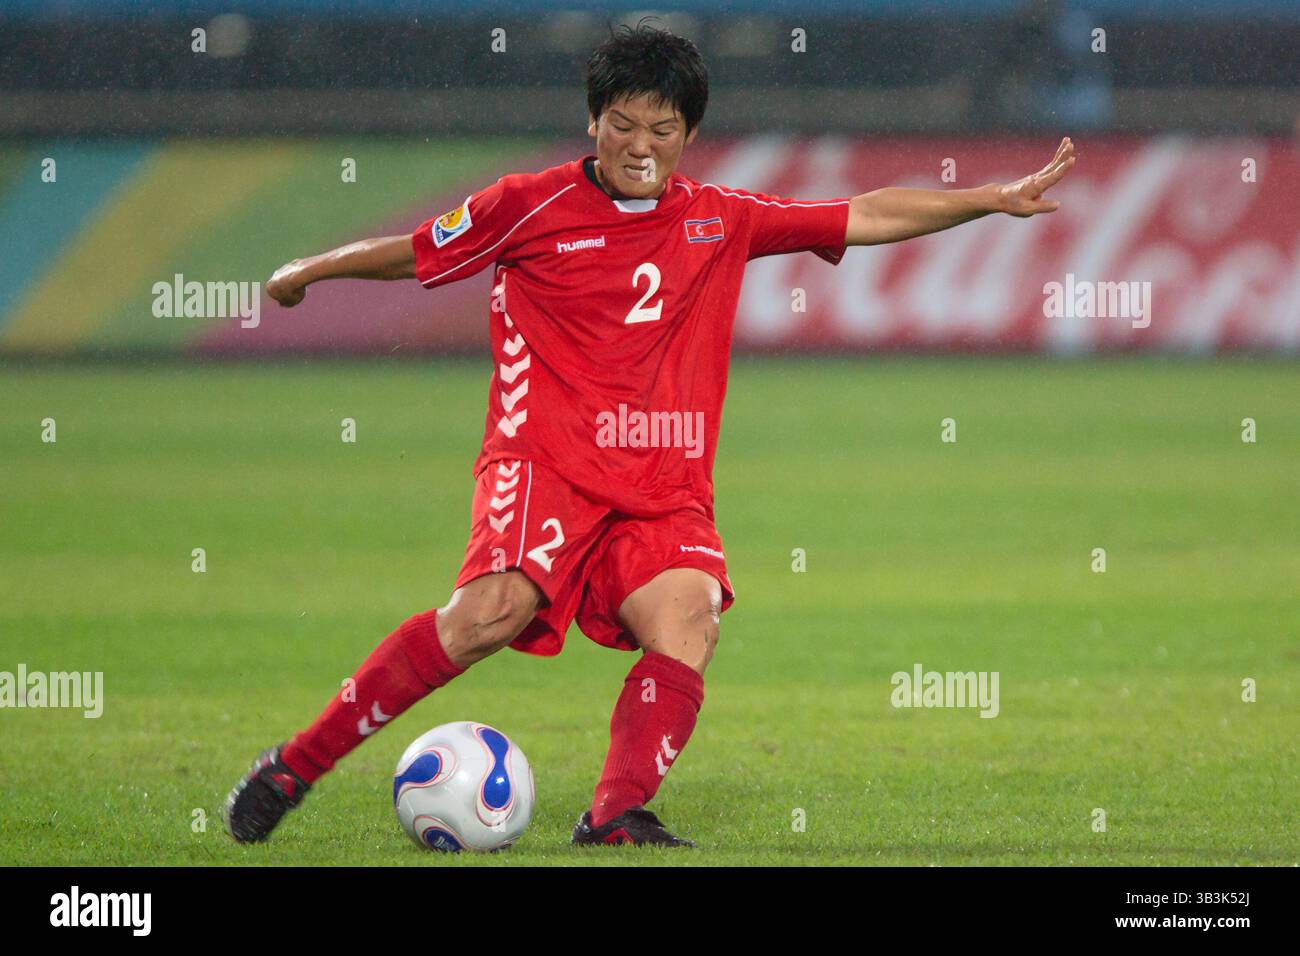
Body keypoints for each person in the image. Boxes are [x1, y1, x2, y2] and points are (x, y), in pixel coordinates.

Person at [224, 20, 1075, 848]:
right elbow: (416, 253)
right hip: (546, 462)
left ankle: (613, 816)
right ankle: (293, 768)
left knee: (690, 617)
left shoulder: (719, 216)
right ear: (592, 121)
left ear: (689, 134)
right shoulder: (525, 204)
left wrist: (988, 200)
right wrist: (310, 269)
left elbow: (864, 213)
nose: (640, 146)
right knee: (489, 614)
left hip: (663, 486)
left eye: (662, 130)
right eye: (622, 125)